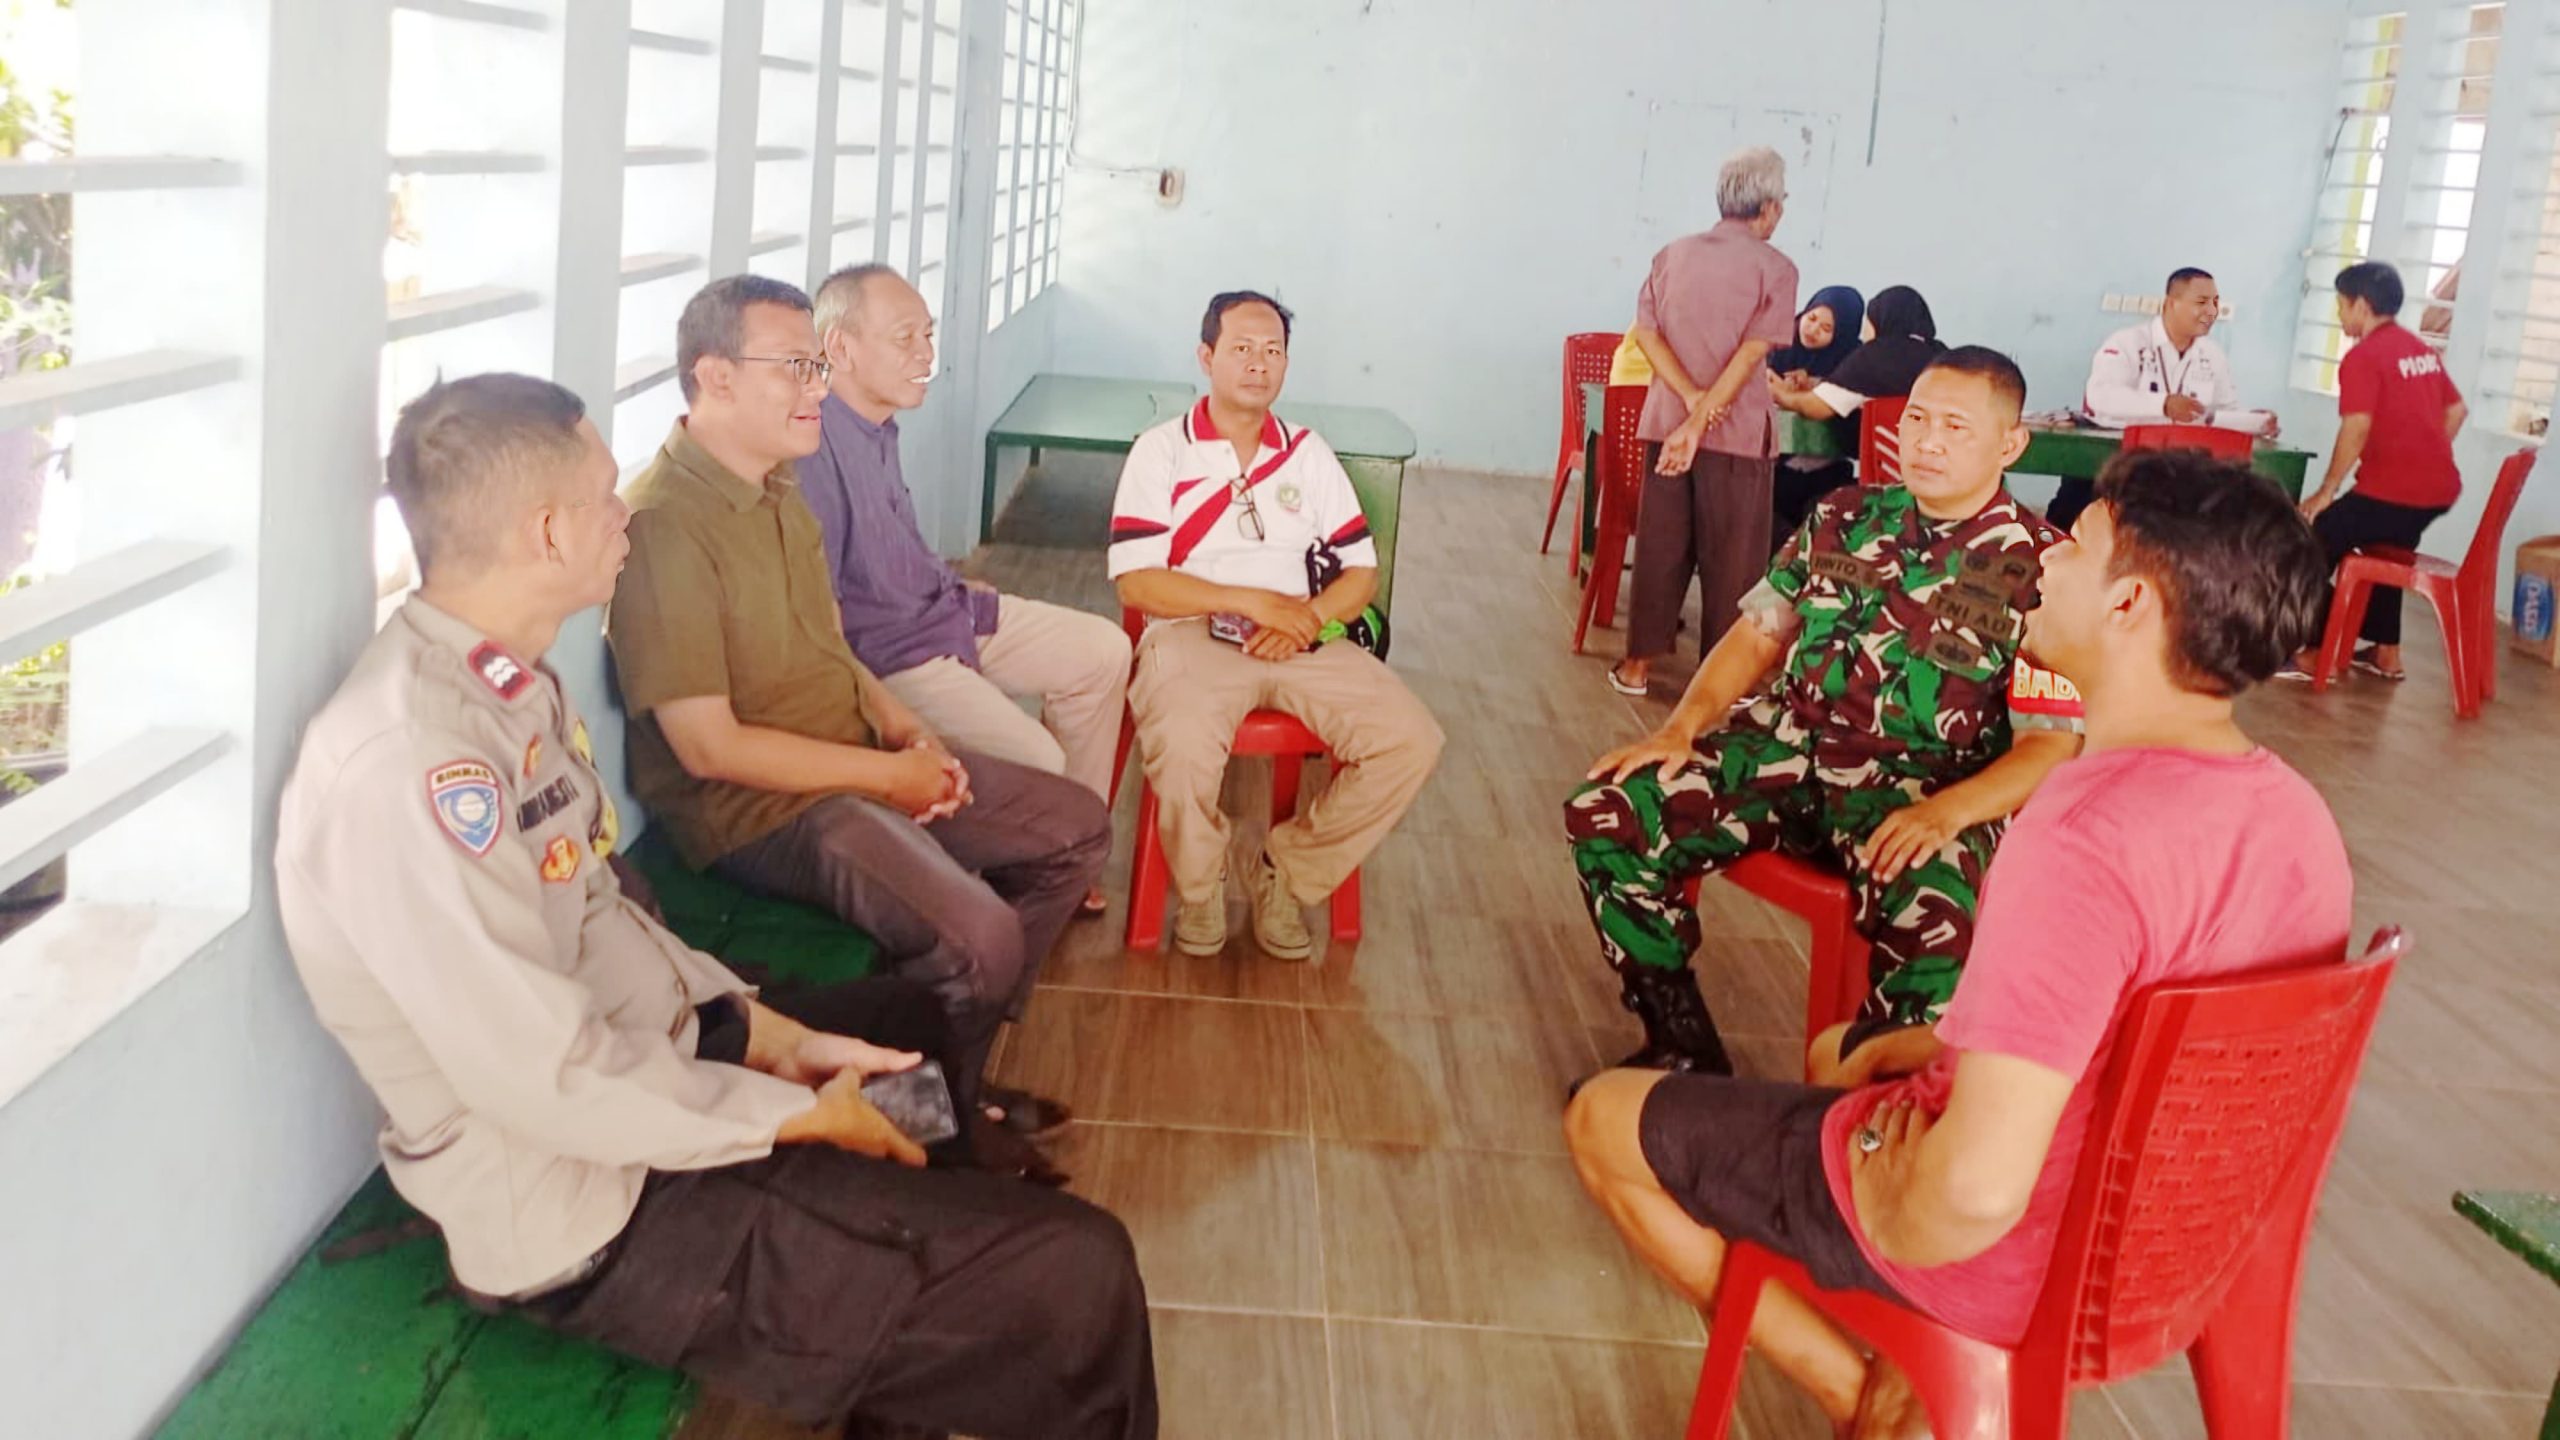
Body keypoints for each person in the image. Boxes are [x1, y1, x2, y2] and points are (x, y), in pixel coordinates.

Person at [278, 373, 1157, 1440]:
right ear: (547, 531)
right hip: (588, 1207)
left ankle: (921, 1291)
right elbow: (546, 1078)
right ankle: (939, 1270)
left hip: (637, 1080)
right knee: (1082, 1272)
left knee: (909, 1038)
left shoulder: (500, 686)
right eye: (605, 497)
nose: (625, 517)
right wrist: (791, 1110)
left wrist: (765, 1035)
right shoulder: (413, 762)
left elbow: (601, 916)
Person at [1564, 445, 2343, 1438]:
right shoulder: (2297, 819)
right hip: (2172, 1252)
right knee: (1842, 1054)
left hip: (2020, 1257)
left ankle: (1883, 1401)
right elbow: (2114, 1039)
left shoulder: (2081, 835)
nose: (2045, 559)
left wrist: (1880, 1181)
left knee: (1602, 1119)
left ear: (2128, 605)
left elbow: (1971, 1194)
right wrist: (1904, 1065)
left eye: (2075, 547)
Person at [607, 274, 1108, 1184]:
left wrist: (909, 732)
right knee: (980, 936)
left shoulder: (777, 485)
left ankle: (944, 1086)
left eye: (816, 365)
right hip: (761, 810)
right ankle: (936, 1117)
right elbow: (709, 749)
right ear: (715, 377)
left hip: (849, 756)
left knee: (1076, 827)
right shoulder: (667, 525)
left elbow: (833, 648)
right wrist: (886, 779)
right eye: (795, 367)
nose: (817, 386)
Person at [1564, 348, 2084, 1089]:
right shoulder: (1844, 514)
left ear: (2010, 444)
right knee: (1609, 809)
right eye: (1917, 420)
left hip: (1918, 788)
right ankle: (1678, 1038)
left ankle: (1873, 1101)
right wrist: (1682, 726)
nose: (1928, 442)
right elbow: (1758, 634)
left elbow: (2050, 747)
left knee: (1940, 910)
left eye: (1956, 428)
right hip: (1783, 750)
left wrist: (1946, 813)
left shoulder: (2045, 570)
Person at [1108, 290, 1443, 960]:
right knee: (1181, 741)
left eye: (1273, 351)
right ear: (1206, 356)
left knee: (1411, 739)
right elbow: (1137, 583)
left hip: (1298, 635)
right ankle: (1201, 883)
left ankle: (1283, 872)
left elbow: (1360, 573)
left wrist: (1307, 618)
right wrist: (1251, 601)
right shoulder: (1161, 451)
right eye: (1241, 348)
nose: (1258, 364)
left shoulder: (1308, 454)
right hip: (1192, 630)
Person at [799, 263, 1130, 916]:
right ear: (840, 347)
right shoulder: (813, 445)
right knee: (1038, 759)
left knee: (1103, 650)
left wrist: (946, 579)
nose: (926, 355)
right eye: (905, 338)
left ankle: (1070, 847)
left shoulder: (877, 425)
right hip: (894, 656)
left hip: (945, 609)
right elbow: (826, 619)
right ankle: (1039, 851)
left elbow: (891, 547)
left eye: (928, 335)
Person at [1608, 145, 1801, 698]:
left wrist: (1690, 405)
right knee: (1733, 562)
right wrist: (1704, 419)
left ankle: (1636, 668)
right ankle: (1719, 686)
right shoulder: (1776, 268)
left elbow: (1648, 337)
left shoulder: (1671, 255)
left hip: (1666, 424)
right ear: (1769, 207)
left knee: (1661, 547)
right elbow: (1751, 353)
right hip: (1735, 437)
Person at [2282, 260, 2468, 683]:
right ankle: (2386, 651)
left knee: (2310, 543)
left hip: (2393, 491)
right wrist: (2425, 454)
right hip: (2437, 491)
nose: (2340, 315)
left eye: (2341, 306)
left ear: (2361, 306)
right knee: (2386, 546)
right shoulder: (2419, 350)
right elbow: (2456, 410)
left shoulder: (2363, 357)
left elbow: (2357, 426)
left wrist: (2327, 489)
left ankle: (2320, 650)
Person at [2057, 266, 2279, 532]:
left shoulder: (2212, 355)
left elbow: (2222, 411)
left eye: (2215, 302)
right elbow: (2101, 396)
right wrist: (2163, 405)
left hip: (2179, 465)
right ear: (2171, 304)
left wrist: (2253, 422)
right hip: (2117, 458)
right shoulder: (2127, 342)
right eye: (2201, 302)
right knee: (2074, 512)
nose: (2212, 311)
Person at [1766, 284, 1867, 540]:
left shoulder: (1853, 360)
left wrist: (1813, 385)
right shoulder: (1777, 342)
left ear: (1842, 334)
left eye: (1826, 328)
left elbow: (1841, 402)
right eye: (1811, 319)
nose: (1812, 330)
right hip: (1772, 464)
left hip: (1826, 468)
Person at [1769, 284, 1942, 430]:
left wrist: (1778, 393)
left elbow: (1817, 407)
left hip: (1879, 456)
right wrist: (1815, 383)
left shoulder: (1875, 357)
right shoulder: (1940, 355)